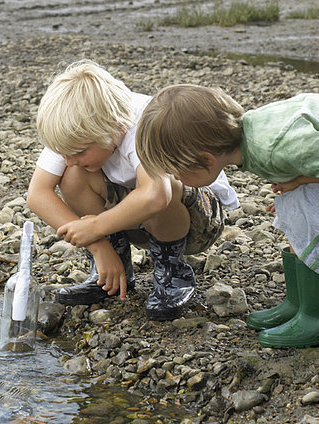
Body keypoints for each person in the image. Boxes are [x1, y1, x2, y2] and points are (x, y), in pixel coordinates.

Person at [27, 61, 239, 321]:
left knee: (163, 183)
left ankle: (171, 273)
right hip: (134, 221)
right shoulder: (71, 128)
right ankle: (113, 272)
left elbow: (155, 196)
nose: (69, 158)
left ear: (113, 128)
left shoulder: (143, 120)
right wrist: (99, 246)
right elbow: (37, 194)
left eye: (79, 151)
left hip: (198, 220)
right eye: (65, 153)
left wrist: (94, 227)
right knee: (71, 177)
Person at [136, 85, 319, 347]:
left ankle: (314, 315)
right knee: (293, 214)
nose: (176, 180)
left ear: (206, 160)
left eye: (177, 173)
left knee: (309, 224)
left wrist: (300, 180)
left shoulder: (272, 148)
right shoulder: (251, 141)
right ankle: (298, 302)